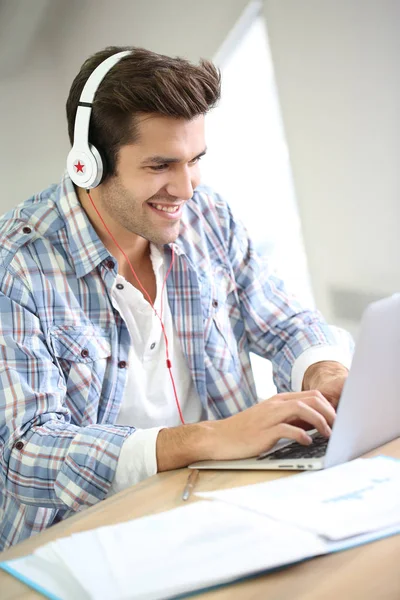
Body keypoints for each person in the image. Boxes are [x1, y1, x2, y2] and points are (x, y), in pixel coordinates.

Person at [0, 46, 352, 551]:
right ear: (88, 164)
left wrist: (326, 372)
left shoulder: (208, 216)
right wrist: (210, 438)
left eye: (196, 160)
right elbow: (25, 449)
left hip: (225, 502)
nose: (187, 187)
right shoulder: (16, 266)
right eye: (162, 165)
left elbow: (286, 322)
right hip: (83, 538)